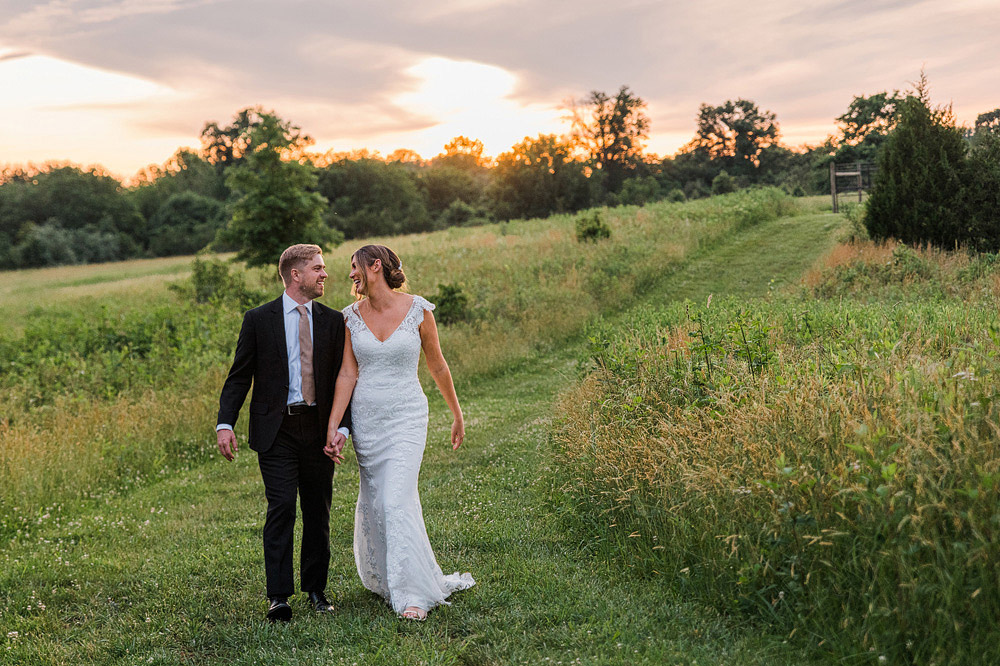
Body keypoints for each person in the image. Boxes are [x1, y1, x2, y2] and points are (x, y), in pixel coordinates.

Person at [323, 244, 474, 621]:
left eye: (355, 267)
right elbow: (347, 373)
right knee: (378, 502)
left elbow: (437, 365)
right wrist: (333, 423)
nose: (351, 275)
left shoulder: (419, 309)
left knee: (395, 498)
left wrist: (456, 413)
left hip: (407, 416)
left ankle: (412, 596)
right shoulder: (349, 318)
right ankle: (390, 577)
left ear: (376, 266)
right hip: (368, 421)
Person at [216, 243, 351, 622]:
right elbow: (239, 376)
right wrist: (225, 422)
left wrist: (341, 426)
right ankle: (278, 596)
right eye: (318, 268)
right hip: (276, 429)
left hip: (318, 429)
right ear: (296, 275)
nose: (325, 274)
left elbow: (345, 379)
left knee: (317, 509)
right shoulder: (259, 319)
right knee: (282, 508)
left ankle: (316, 589)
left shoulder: (333, 320)